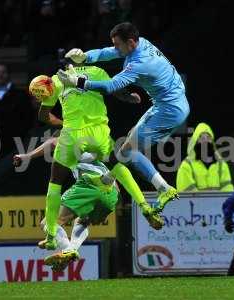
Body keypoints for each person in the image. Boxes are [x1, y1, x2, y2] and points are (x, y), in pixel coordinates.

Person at [59, 22, 190, 212]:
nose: (116, 48)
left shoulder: (139, 64)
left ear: (130, 43)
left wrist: (78, 82)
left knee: (128, 151)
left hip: (169, 111)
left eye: (118, 44)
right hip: (172, 103)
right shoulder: (141, 42)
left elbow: (110, 86)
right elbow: (108, 53)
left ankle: (165, 189)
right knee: (127, 144)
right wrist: (86, 56)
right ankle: (108, 180)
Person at [31, 64, 163, 250]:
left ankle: (54, 237)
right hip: (110, 184)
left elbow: (44, 118)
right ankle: (144, 206)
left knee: (54, 186)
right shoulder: (96, 71)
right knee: (116, 168)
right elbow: (113, 88)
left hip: (83, 170)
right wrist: (129, 97)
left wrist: (56, 119)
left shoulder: (56, 80)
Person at [13, 135, 119, 271]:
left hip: (90, 185)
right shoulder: (95, 149)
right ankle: (70, 251)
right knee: (82, 220)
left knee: (47, 223)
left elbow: (52, 142)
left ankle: (68, 250)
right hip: (113, 194)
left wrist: (26, 156)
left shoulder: (72, 143)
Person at [0, 63, 35, 156]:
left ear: (9, 75)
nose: (1, 75)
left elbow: (27, 117)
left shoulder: (20, 96)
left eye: (3, 72)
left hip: (14, 142)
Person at [176, 122, 234, 192]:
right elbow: (186, 192)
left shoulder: (221, 165)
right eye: (201, 138)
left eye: (208, 137)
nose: (205, 141)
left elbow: (228, 190)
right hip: (195, 203)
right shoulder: (186, 166)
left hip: (218, 203)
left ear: (212, 142)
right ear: (196, 142)